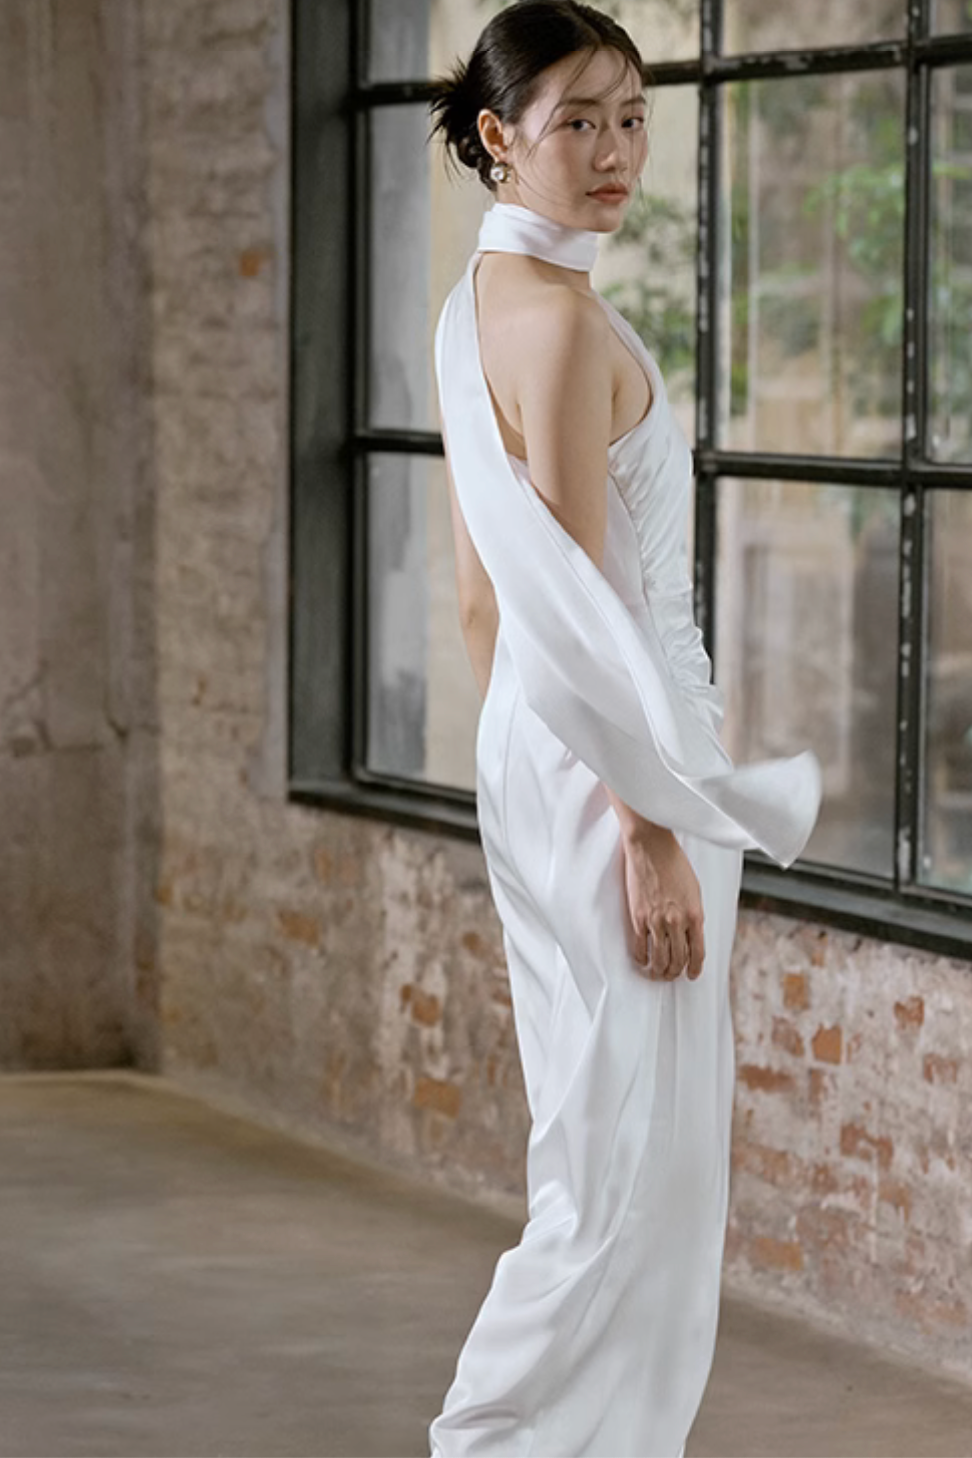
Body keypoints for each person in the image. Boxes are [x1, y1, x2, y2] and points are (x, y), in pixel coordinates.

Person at [426, 4, 821, 1454]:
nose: (614, 152)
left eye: (633, 117)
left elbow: (485, 603)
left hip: (542, 750)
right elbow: (584, 609)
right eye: (577, 121)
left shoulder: (479, 302)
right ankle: (491, 1436)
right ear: (499, 137)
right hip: (622, 772)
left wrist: (537, 765)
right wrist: (645, 824)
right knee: (627, 1167)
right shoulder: (561, 323)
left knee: (600, 1136)